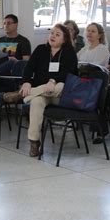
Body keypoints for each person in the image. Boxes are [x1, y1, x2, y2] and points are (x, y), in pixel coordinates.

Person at [19, 24, 78, 157]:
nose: (53, 36)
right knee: (36, 102)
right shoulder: (41, 50)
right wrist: (27, 82)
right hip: (44, 94)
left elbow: (69, 74)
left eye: (57, 34)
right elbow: (28, 68)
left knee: (60, 86)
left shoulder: (69, 53)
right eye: (52, 33)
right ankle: (34, 142)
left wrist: (52, 81)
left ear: (64, 39)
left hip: (60, 95)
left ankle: (21, 96)